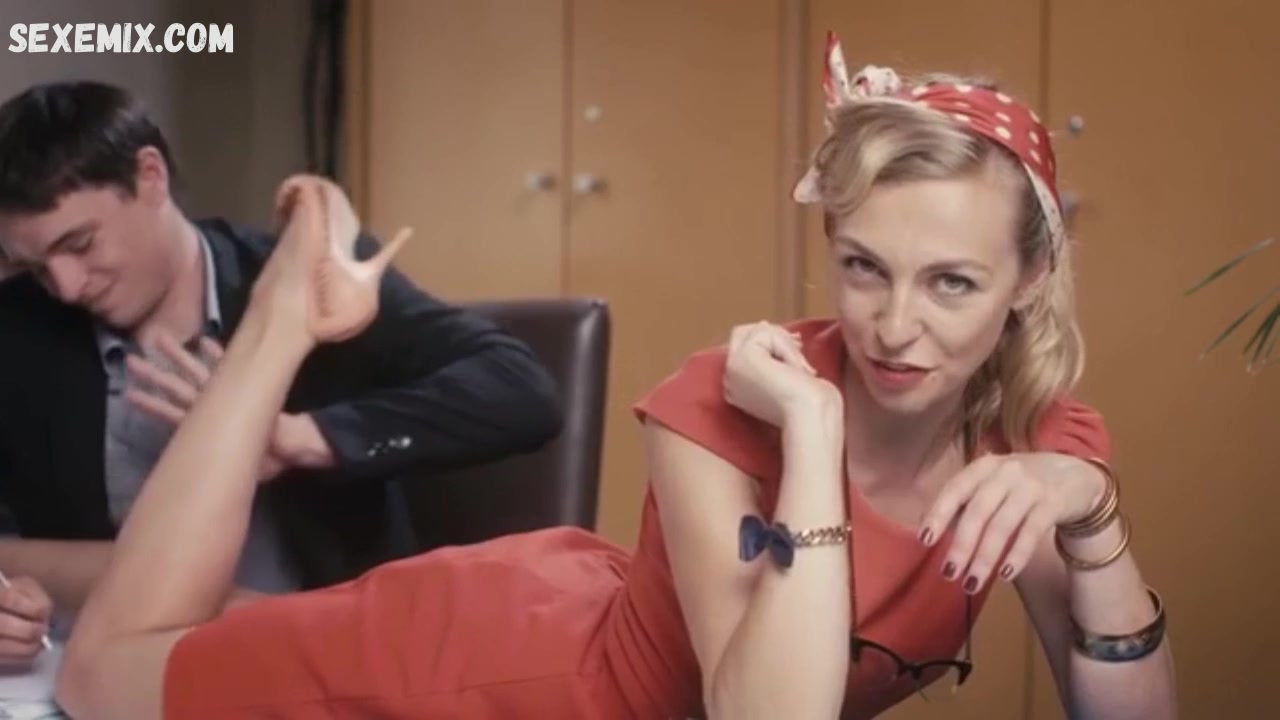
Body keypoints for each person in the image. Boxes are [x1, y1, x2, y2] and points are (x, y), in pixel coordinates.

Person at [54, 34, 1175, 720]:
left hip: (577, 604)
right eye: (862, 268)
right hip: (500, 675)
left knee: (237, 629)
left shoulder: (1039, 447)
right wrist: (814, 436)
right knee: (100, 680)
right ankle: (281, 318)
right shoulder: (724, 402)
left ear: (1029, 279)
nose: (893, 327)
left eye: (951, 284)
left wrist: (1089, 513)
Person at [0, 81, 563, 666]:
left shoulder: (311, 280)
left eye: (81, 244)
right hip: (96, 669)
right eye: (36, 267)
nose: (66, 287)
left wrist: (305, 438)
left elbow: (520, 389)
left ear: (150, 176)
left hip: (317, 656)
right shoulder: (18, 328)